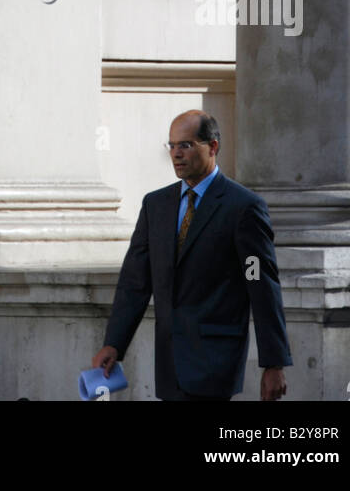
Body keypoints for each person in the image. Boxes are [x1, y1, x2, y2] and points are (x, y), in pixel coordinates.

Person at [92, 110, 292, 401]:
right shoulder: (155, 205)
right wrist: (114, 344)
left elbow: (261, 285)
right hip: (169, 365)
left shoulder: (243, 208)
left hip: (216, 363)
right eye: (171, 146)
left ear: (212, 147)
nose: (176, 154)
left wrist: (274, 363)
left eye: (185, 145)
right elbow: (135, 282)